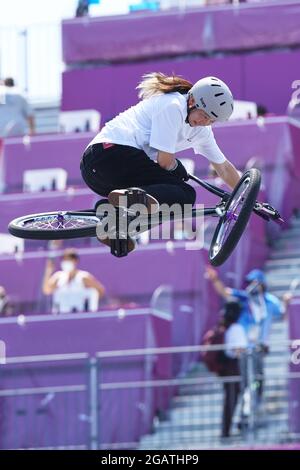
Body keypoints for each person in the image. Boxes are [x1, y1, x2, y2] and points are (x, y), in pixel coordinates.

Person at [80, 72, 241, 251]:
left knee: (173, 202)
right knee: (185, 194)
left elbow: (224, 168)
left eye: (211, 120)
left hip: (106, 177)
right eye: (204, 115)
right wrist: (176, 167)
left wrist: (249, 199)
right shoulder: (173, 105)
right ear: (192, 100)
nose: (205, 122)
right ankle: (132, 198)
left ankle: (114, 223)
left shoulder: (201, 131)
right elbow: (164, 162)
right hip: (106, 155)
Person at [205, 266, 290, 403]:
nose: (253, 286)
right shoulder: (244, 298)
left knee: (258, 376)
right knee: (244, 376)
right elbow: (225, 292)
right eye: (251, 282)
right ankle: (246, 400)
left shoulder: (270, 301)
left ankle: (257, 399)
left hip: (259, 346)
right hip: (244, 347)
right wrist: (215, 279)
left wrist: (286, 303)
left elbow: (283, 316)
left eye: (256, 283)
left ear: (262, 285)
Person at [42, 248, 105, 314]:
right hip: (61, 315)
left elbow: (100, 290)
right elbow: (47, 290)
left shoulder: (83, 277)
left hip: (80, 315)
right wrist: (48, 271)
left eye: (68, 259)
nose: (65, 262)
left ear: (75, 260)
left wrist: (90, 305)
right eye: (64, 259)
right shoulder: (58, 276)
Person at [219, 300, 247, 439]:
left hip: (227, 367)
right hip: (234, 367)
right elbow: (239, 349)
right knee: (232, 398)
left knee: (230, 399)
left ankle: (226, 430)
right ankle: (226, 431)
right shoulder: (236, 328)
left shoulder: (226, 327)